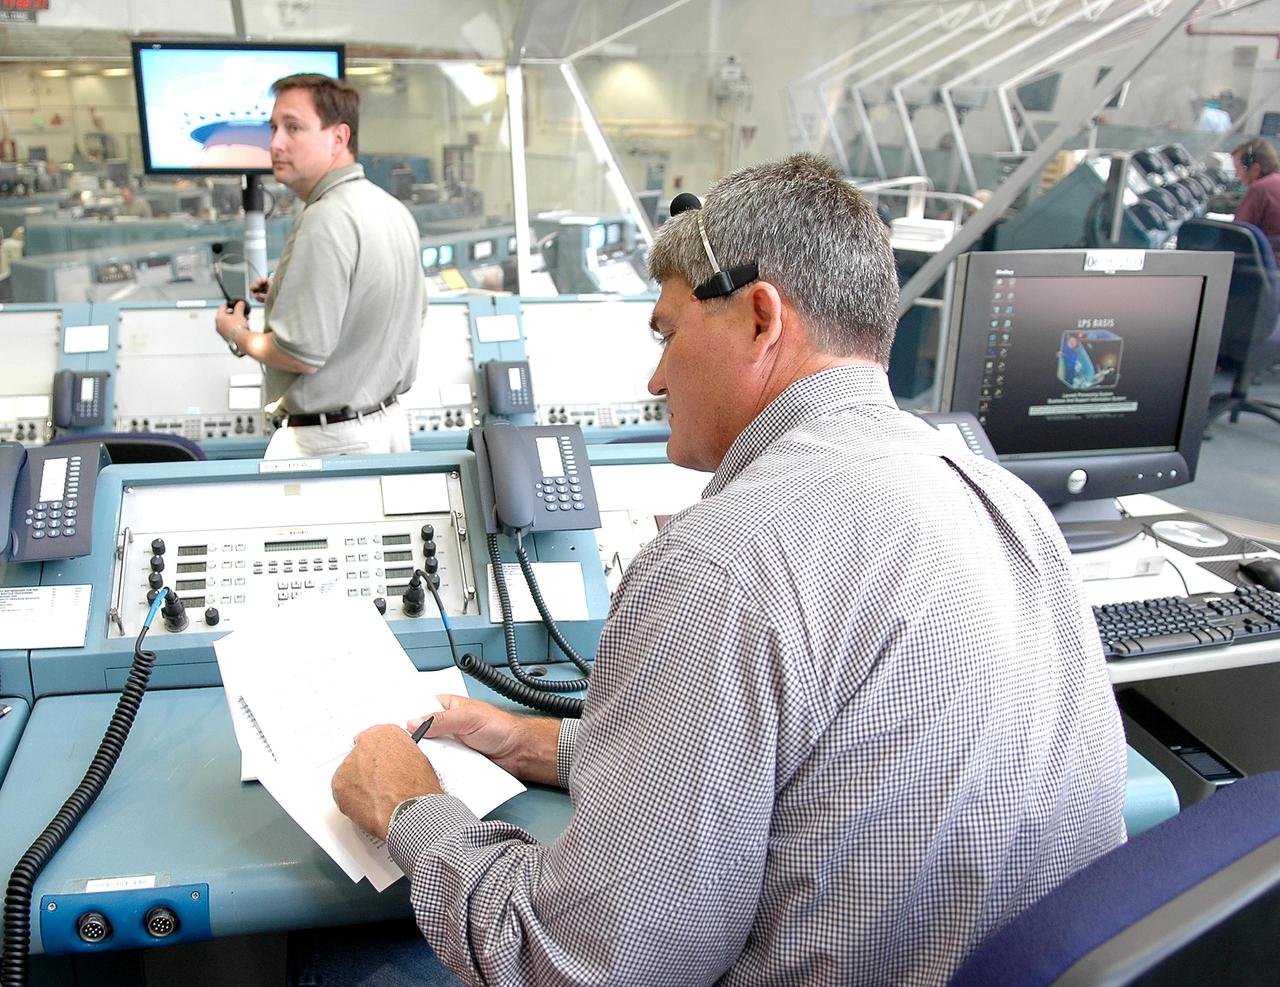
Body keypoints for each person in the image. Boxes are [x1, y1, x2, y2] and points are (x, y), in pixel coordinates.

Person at [327, 153, 1128, 985]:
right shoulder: (1005, 502)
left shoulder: (720, 565)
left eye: (669, 332)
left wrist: (412, 807)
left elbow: (578, 967)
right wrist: (549, 745)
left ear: (759, 318)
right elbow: (822, 774)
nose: (656, 375)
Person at [213, 73, 426, 458]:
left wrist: (237, 333)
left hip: (332, 443)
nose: (275, 142)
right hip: (389, 429)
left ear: (339, 138)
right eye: (273, 127)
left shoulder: (325, 219)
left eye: (293, 128)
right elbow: (405, 311)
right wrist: (287, 291)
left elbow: (299, 354)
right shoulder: (390, 208)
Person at [1232, 137, 1280, 257]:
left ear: (1255, 169)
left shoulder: (1261, 188)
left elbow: (1236, 234)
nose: (1236, 175)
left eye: (1238, 169)